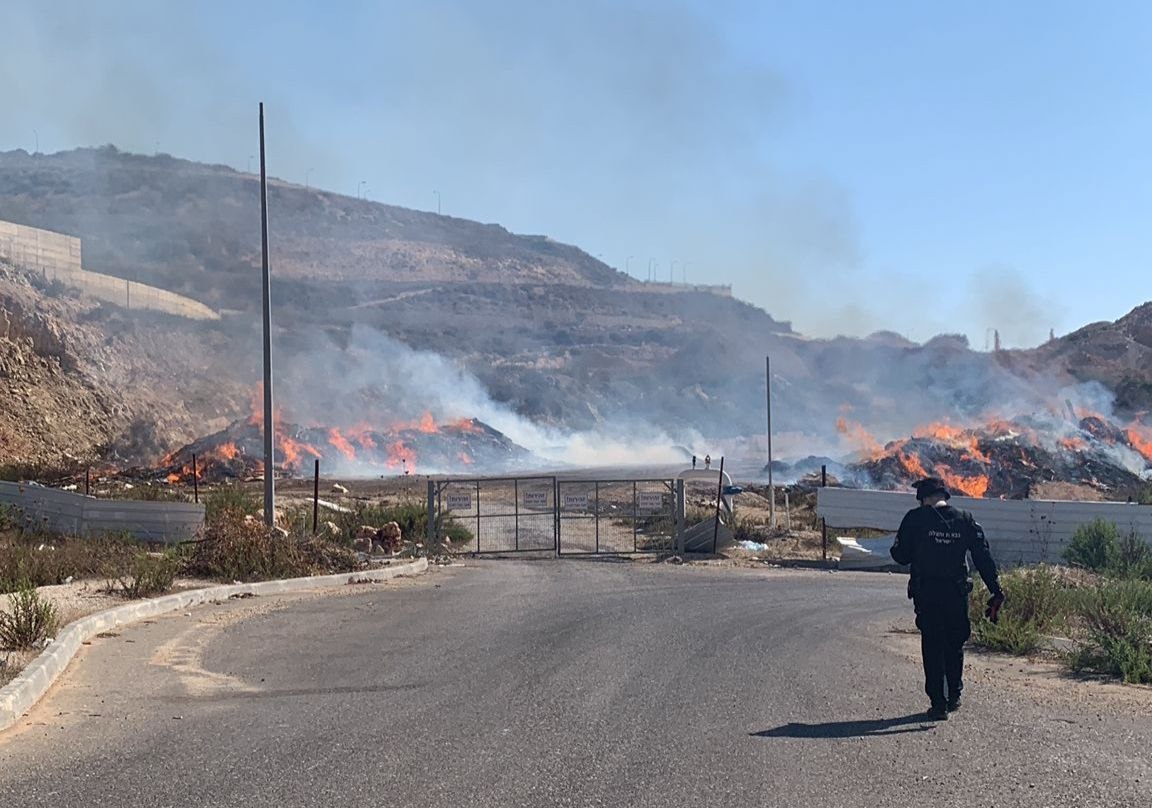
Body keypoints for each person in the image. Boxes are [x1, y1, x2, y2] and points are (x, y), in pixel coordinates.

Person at [890, 477, 1004, 721]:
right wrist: (996, 590)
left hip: (927, 595)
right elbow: (983, 557)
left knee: (933, 646)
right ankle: (954, 695)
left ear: (924, 498)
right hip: (956, 595)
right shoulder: (965, 519)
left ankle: (938, 704)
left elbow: (900, 555)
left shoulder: (915, 518)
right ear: (944, 496)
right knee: (954, 644)